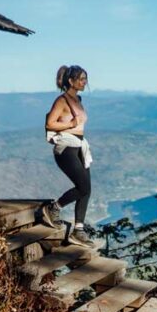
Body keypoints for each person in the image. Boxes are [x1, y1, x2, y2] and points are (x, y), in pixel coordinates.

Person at [42, 64, 97, 248]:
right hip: (66, 148)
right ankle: (53, 209)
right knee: (83, 186)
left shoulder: (78, 100)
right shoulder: (62, 101)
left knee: (86, 188)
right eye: (81, 79)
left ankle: (78, 230)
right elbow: (50, 123)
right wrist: (71, 123)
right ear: (71, 81)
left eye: (85, 78)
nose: (84, 82)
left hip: (79, 147)